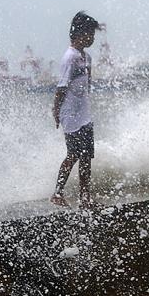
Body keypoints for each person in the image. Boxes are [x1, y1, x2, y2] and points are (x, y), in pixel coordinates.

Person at [51, 11, 103, 208]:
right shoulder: (70, 57)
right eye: (91, 34)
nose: (92, 38)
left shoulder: (86, 57)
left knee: (87, 156)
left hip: (84, 115)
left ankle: (85, 197)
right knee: (73, 154)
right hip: (70, 115)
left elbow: (86, 85)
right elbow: (61, 88)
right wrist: (56, 112)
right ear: (80, 33)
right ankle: (57, 193)